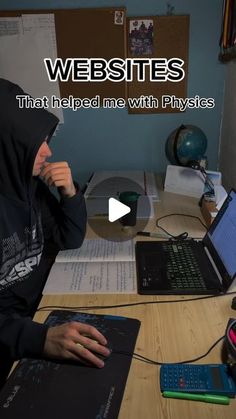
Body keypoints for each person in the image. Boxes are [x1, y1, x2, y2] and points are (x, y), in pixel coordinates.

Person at [0, 79, 110, 388]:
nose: (48, 151)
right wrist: (42, 338)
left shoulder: (28, 185)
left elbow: (69, 238)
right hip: (19, 337)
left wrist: (70, 192)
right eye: (35, 143)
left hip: (45, 307)